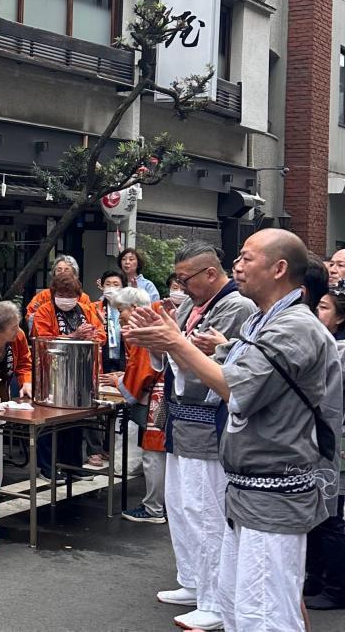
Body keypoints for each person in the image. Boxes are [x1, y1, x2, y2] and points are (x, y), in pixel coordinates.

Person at [125, 229, 343, 632]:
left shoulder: (295, 326)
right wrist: (182, 342)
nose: (237, 267)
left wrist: (176, 342)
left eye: (246, 258)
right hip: (251, 484)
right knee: (247, 604)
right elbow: (236, 367)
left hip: (274, 487)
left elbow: (236, 386)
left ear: (279, 269)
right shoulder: (265, 319)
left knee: (264, 610)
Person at [136, 241, 258, 630]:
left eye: (186, 278)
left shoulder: (237, 306)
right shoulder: (190, 304)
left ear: (210, 273)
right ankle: (192, 580)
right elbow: (175, 355)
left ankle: (215, 599)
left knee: (206, 511)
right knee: (181, 504)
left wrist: (173, 343)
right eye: (178, 279)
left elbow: (227, 365)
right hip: (181, 415)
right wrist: (156, 340)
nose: (182, 286)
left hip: (209, 417)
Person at [99, 287, 166, 525]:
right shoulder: (156, 325)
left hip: (157, 400)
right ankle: (159, 505)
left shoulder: (145, 333)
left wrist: (120, 382)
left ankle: (154, 507)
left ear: (135, 308)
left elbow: (142, 373)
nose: (120, 316)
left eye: (121, 310)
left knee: (154, 454)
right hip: (163, 395)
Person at [30, 272, 105, 478]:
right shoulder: (44, 311)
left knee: (75, 421)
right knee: (49, 420)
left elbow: (102, 335)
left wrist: (92, 335)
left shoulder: (87, 310)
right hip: (51, 374)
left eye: (71, 293)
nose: (66, 297)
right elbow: (42, 340)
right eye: (62, 293)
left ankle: (73, 466)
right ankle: (48, 468)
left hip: (80, 374)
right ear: (54, 293)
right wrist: (73, 336)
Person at [307, 287, 345, 611]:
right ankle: (316, 577)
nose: (318, 314)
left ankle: (336, 586)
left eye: (324, 308)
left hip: (336, 441)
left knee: (334, 515)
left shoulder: (339, 349)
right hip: (324, 440)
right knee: (320, 511)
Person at [87, 270, 129, 468]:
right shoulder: (93, 308)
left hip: (121, 360)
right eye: (109, 284)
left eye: (117, 284)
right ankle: (94, 449)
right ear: (101, 286)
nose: (112, 288)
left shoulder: (127, 309)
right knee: (96, 403)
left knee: (118, 406)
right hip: (100, 358)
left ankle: (110, 446)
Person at [25, 255, 89, 330]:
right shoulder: (43, 295)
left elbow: (89, 319)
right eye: (59, 270)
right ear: (54, 273)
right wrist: (37, 315)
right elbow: (29, 317)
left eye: (66, 270)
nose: (62, 273)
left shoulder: (83, 297)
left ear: (74, 275)